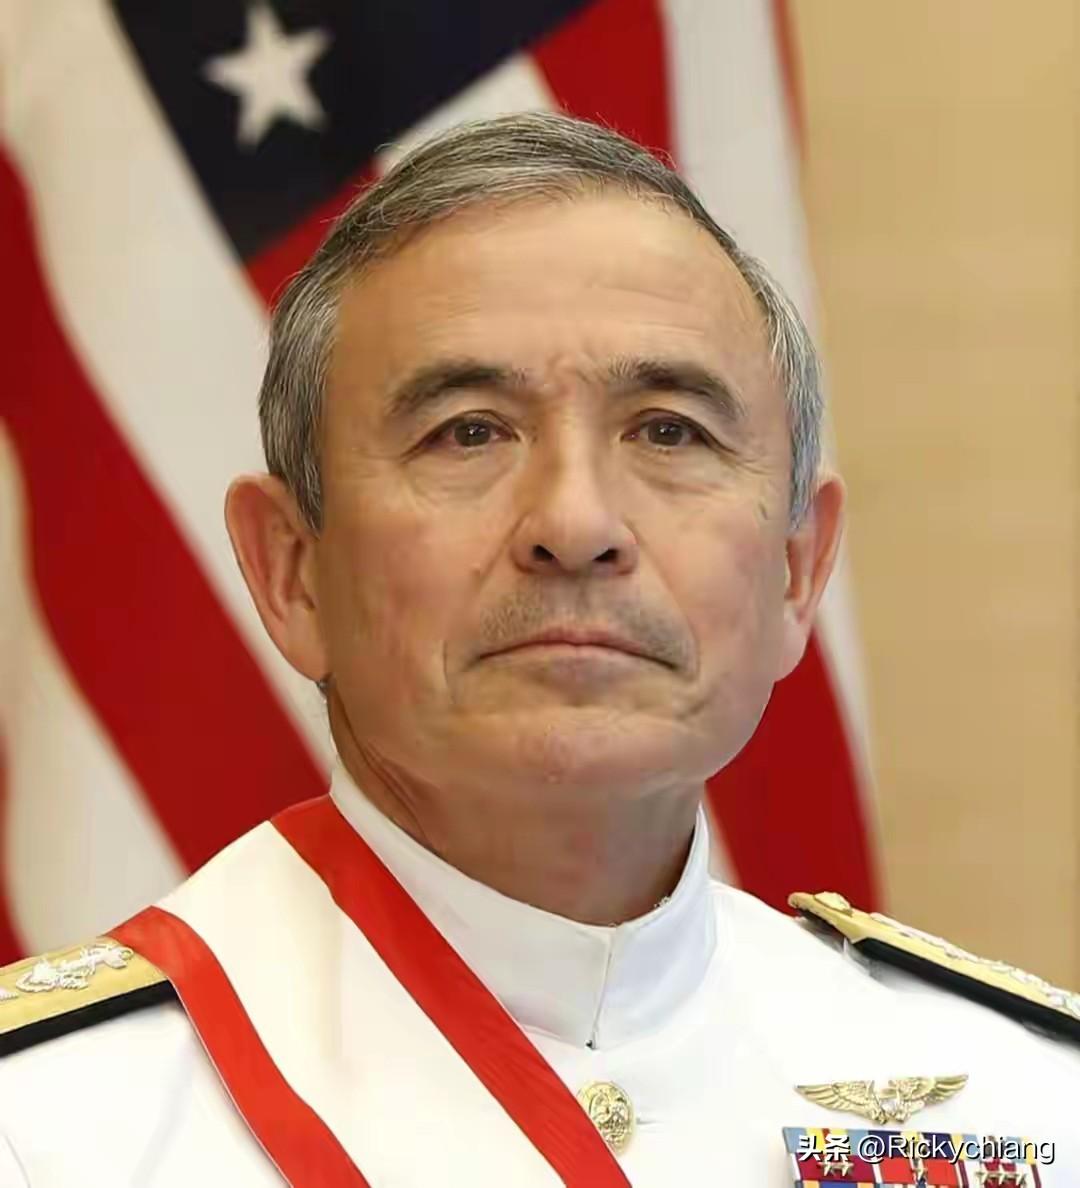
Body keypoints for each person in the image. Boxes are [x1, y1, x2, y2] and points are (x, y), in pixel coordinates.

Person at [1, 111, 1077, 1186]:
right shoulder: (48, 1128)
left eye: (669, 430)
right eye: (469, 432)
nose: (576, 523)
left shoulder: (1028, 1099)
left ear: (797, 570)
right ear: (292, 572)